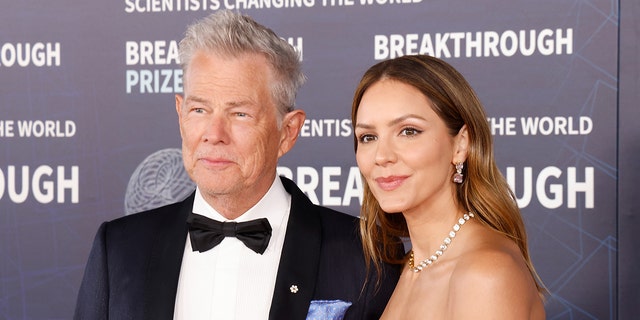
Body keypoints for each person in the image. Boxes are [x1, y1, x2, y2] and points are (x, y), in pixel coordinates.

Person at [74, 10, 400, 320]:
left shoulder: (367, 255)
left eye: (239, 114)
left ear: (287, 132)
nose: (213, 135)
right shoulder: (118, 250)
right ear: (180, 114)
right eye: (199, 110)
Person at [351, 54, 547, 319]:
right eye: (368, 137)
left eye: (408, 131)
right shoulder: (408, 267)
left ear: (461, 144)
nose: (381, 155)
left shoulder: (484, 273)